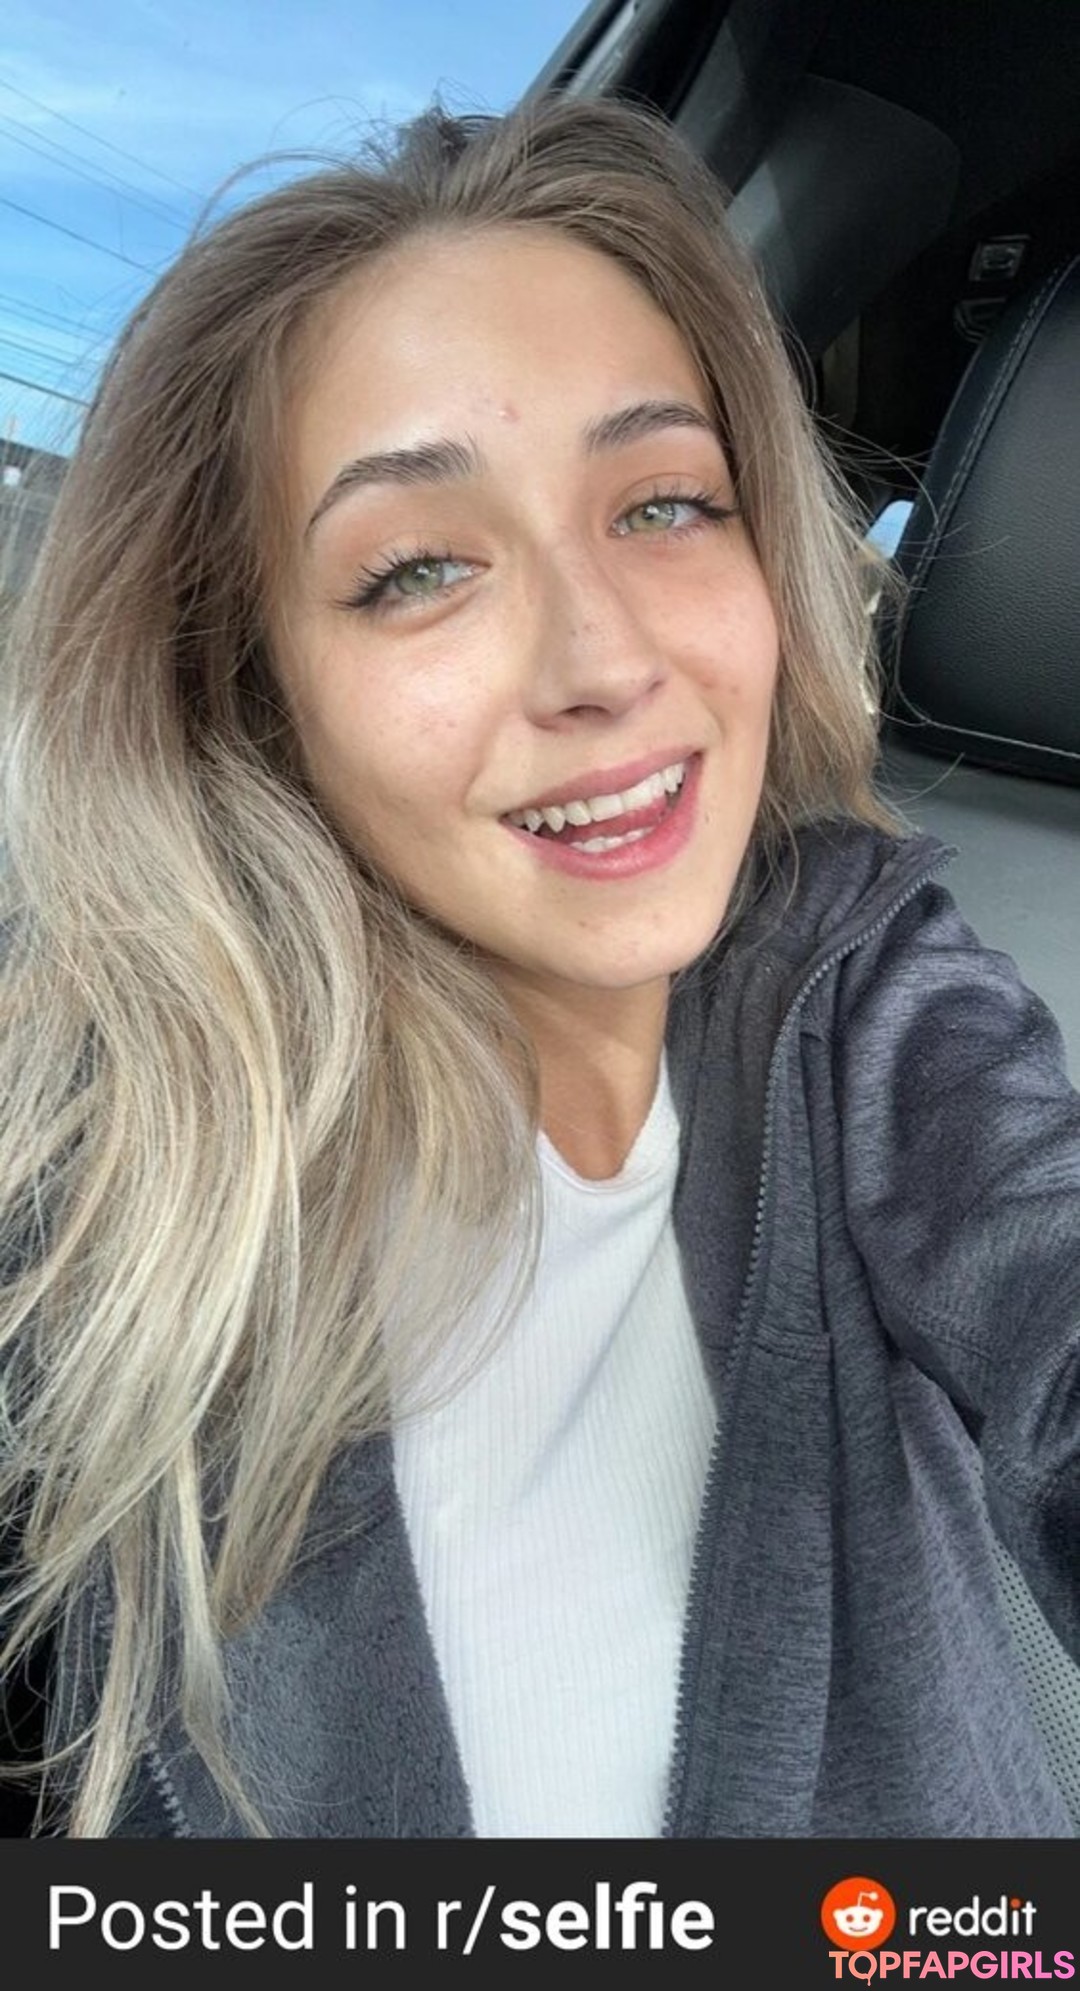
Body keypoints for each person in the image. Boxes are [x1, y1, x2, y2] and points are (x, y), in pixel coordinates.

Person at [1, 90, 1078, 1843]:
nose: (601, 660)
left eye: (666, 506)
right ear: (254, 689)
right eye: (419, 569)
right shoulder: (111, 1148)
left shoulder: (870, 989)